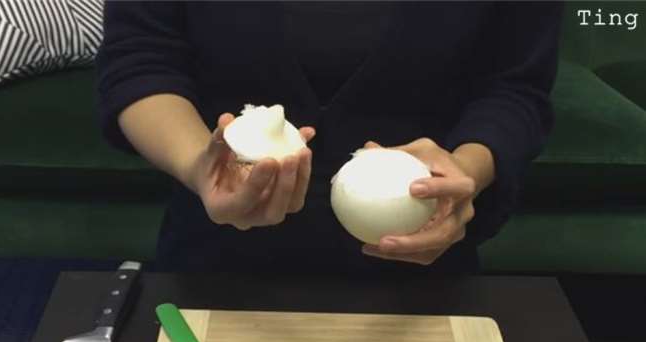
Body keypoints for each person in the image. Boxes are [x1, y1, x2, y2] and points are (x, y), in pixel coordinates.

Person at [96, 1, 563, 275]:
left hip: (422, 271)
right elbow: (140, 61)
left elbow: (515, 86)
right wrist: (199, 166)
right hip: (216, 264)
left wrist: (464, 170)